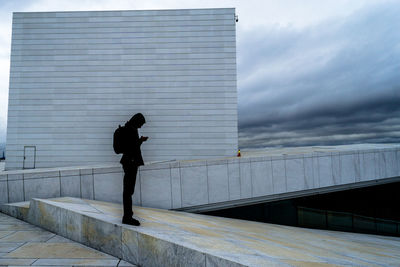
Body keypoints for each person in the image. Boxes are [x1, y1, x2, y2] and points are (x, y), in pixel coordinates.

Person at [120, 113, 148, 226]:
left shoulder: (130, 128)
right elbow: (132, 147)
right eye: (141, 124)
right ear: (137, 121)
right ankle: (127, 217)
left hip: (129, 162)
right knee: (128, 191)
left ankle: (128, 215)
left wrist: (140, 140)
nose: (141, 126)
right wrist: (140, 141)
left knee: (128, 190)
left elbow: (131, 146)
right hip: (130, 162)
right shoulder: (131, 130)